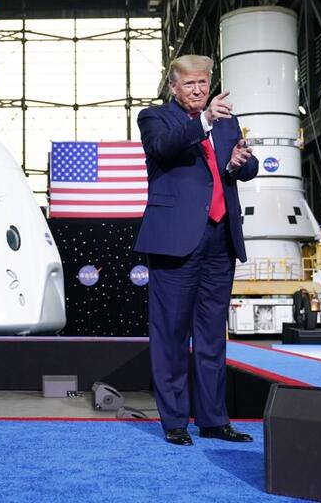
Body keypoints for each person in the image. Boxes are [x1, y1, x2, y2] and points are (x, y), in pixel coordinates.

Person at [134, 54, 258, 446]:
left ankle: (213, 419)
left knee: (211, 335)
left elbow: (245, 167)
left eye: (203, 83)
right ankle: (174, 421)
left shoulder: (227, 122)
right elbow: (165, 149)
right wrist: (204, 122)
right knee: (170, 334)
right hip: (175, 242)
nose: (199, 90)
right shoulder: (154, 118)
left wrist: (241, 163)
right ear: (173, 87)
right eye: (190, 84)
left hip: (220, 239)